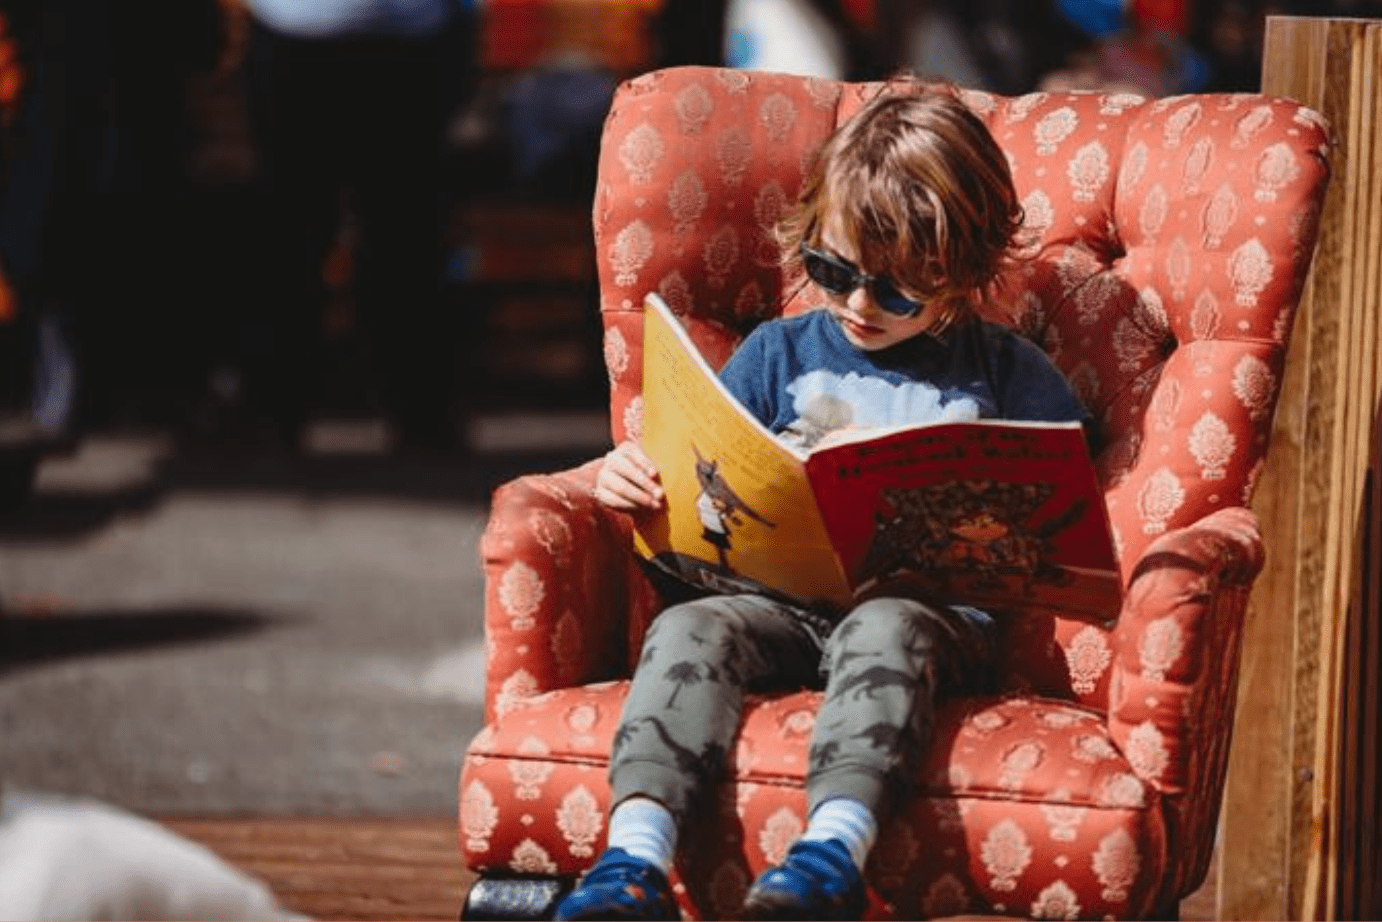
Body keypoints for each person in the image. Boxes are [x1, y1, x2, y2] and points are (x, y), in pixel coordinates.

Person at [553, 84, 1092, 921]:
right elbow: (702, 480)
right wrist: (636, 483)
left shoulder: (1006, 374)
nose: (858, 306)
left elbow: (1065, 512)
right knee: (689, 627)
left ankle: (831, 856)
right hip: (775, 606)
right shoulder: (779, 354)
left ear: (965, 268)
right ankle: (632, 862)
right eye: (832, 271)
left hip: (923, 623)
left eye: (899, 291)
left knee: (887, 623)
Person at [235, 0, 475, 452]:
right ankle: (270, 408)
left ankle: (421, 412)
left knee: (405, 236)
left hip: (406, 42)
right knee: (291, 234)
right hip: (296, 35)